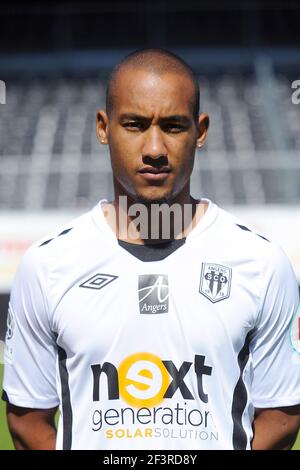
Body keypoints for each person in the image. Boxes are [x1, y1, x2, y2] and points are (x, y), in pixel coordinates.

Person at [2, 48, 300, 451]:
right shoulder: (47, 265)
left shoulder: (262, 263)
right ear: (103, 127)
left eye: (174, 126)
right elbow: (27, 421)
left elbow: (282, 416)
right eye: (135, 125)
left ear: (201, 130)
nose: (155, 148)